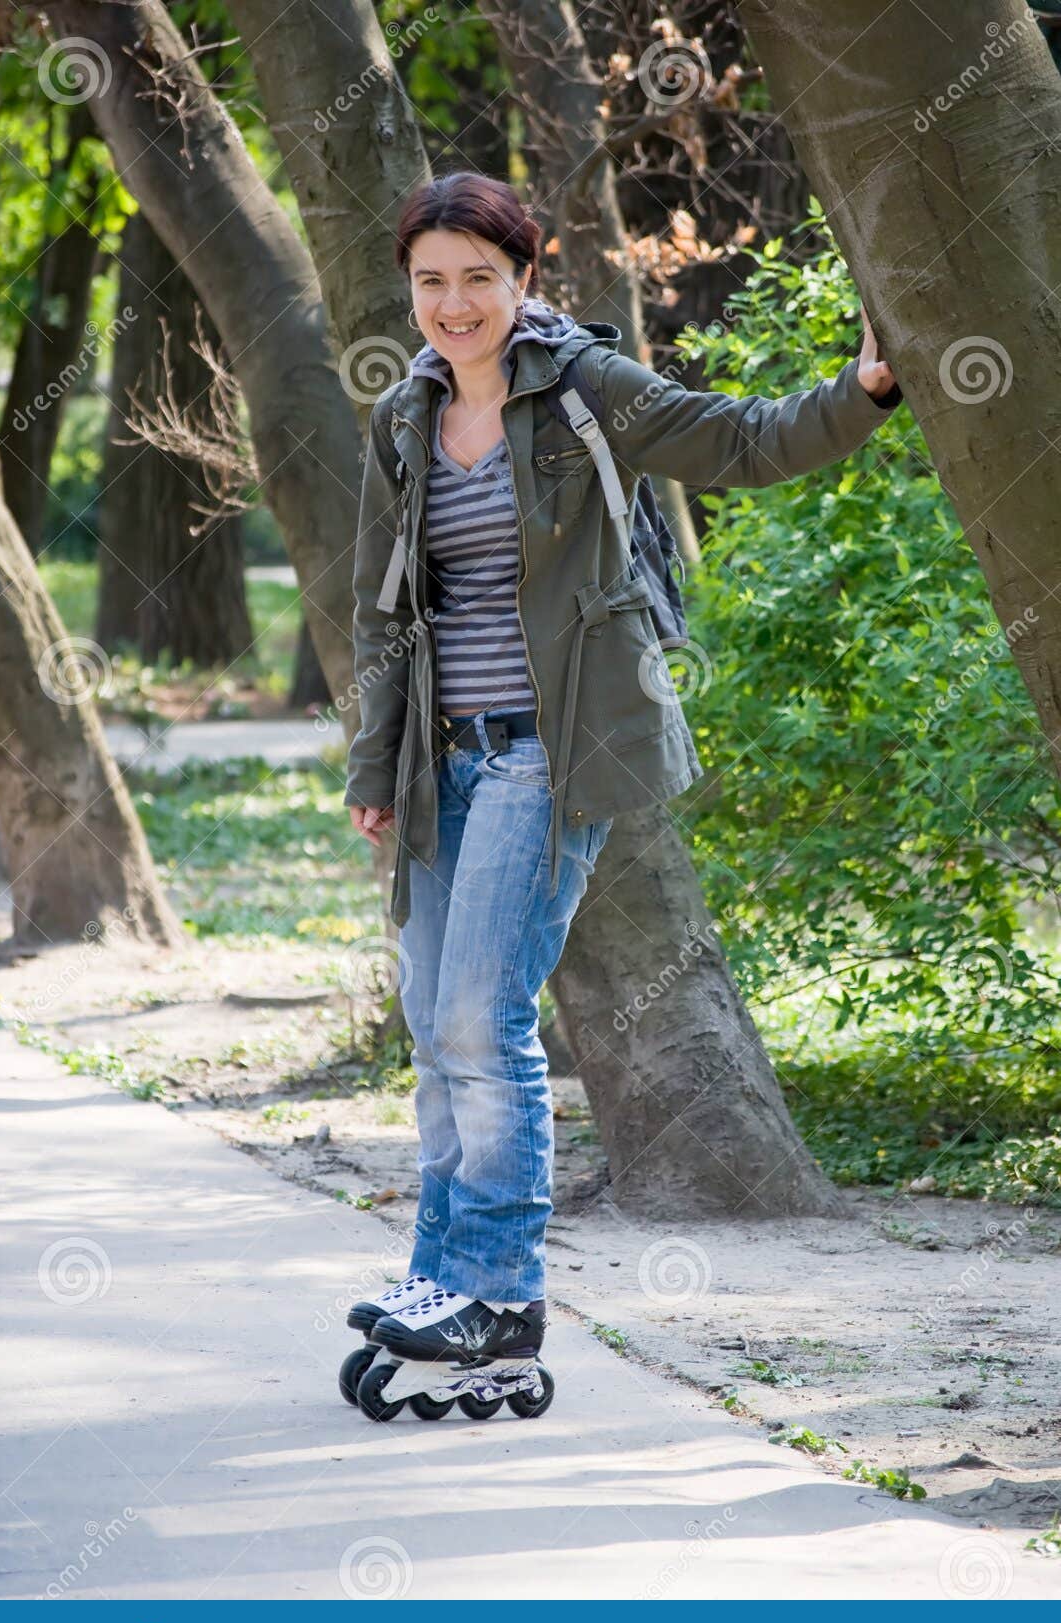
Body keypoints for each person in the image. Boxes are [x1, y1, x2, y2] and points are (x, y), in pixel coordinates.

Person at [341, 170, 900, 1419]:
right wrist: (376, 766)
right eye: (431, 281)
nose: (454, 303)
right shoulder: (403, 415)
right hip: (440, 760)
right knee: (436, 1023)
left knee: (482, 1015)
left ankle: (497, 1290)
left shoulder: (583, 388)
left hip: (553, 749)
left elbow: (737, 440)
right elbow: (383, 613)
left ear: (524, 278)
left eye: (479, 278)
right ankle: (444, 1279)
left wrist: (864, 391)